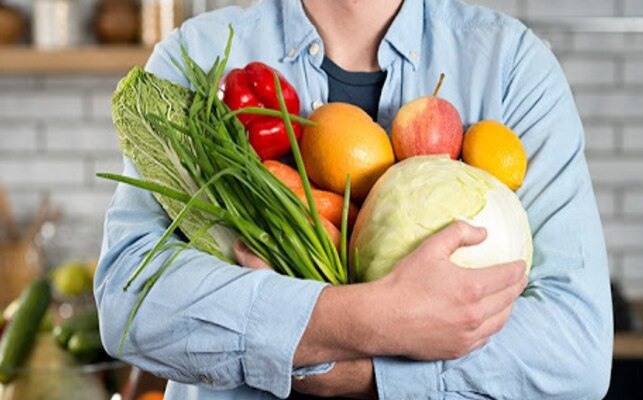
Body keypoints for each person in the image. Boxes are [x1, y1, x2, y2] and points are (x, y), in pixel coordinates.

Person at [95, 0, 613, 398]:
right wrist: (362, 318)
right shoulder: (201, 57)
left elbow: (577, 349)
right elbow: (130, 297)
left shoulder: (508, 66)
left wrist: (357, 376)